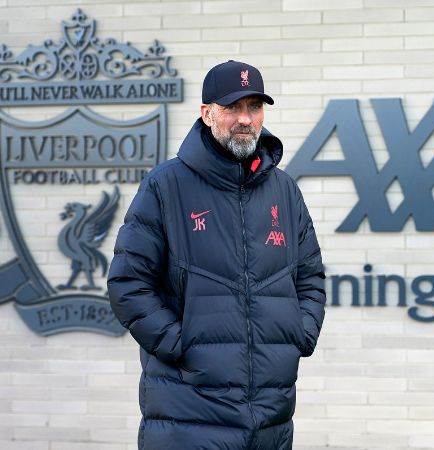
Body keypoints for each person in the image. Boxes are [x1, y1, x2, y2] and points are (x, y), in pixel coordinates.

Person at [107, 60, 326, 450]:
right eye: (232, 108)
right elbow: (128, 284)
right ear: (207, 113)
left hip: (270, 421)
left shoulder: (285, 190)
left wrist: (299, 337)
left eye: (254, 107)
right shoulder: (165, 186)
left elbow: (310, 278)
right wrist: (183, 345)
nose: (245, 119)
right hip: (188, 416)